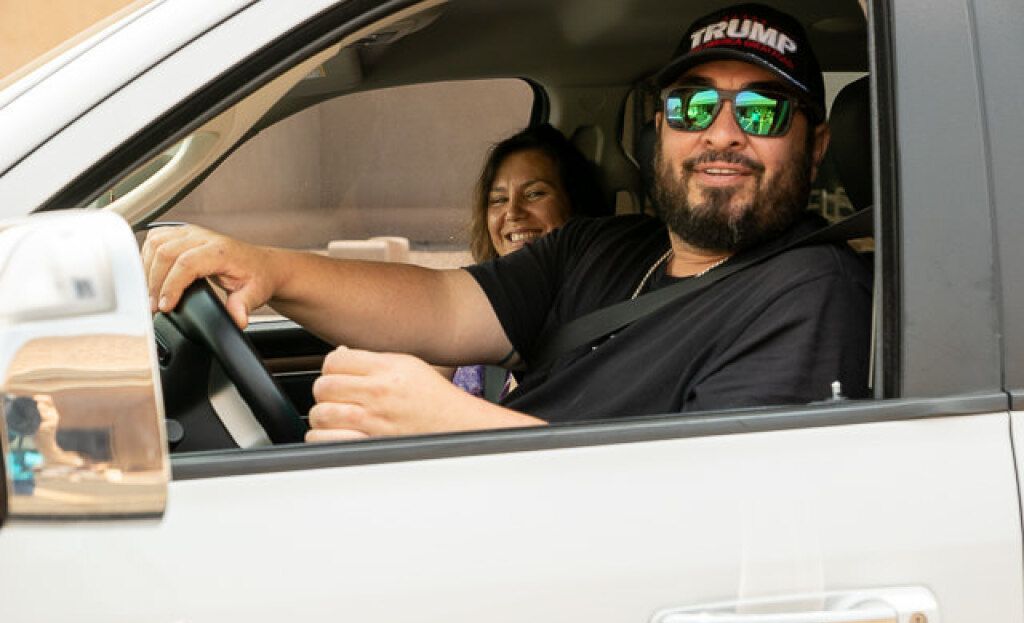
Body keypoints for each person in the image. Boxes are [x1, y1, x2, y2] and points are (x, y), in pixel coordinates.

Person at [143, 3, 871, 441]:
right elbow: (443, 304)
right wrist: (269, 268)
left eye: (763, 110)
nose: (721, 133)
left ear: (816, 144)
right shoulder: (598, 246)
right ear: (660, 129)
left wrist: (456, 426)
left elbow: (719, 510)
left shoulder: (812, 290)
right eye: (692, 105)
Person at [452, 123, 608, 398]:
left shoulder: (602, 308)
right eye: (498, 200)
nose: (512, 212)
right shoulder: (471, 317)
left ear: (575, 204)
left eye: (534, 194)